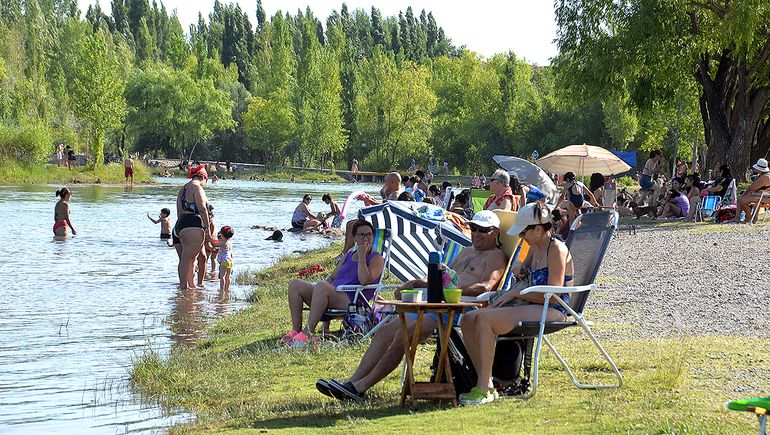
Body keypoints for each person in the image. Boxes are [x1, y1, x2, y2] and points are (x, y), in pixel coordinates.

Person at [316, 211, 507, 401]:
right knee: (384, 332)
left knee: (403, 335)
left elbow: (486, 286)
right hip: (434, 304)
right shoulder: (466, 251)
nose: (477, 233)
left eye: (483, 230)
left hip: (458, 309)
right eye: (474, 228)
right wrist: (417, 282)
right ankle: (351, 382)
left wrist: (449, 288)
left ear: (496, 232)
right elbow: (442, 275)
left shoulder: (496, 256)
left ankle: (360, 387)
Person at [458, 202, 573, 405]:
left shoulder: (556, 249)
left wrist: (516, 293)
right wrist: (518, 267)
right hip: (533, 305)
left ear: (537, 229)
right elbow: (523, 268)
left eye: (523, 233)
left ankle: (484, 388)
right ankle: (486, 382)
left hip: (552, 309)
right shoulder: (536, 247)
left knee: (484, 320)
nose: (521, 237)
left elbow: (553, 294)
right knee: (468, 318)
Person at [284, 220, 385, 346]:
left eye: (369, 235)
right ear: (354, 238)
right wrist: (317, 292)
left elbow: (364, 280)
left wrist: (362, 257)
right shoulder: (348, 255)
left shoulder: (377, 258)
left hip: (353, 300)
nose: (366, 238)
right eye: (361, 235)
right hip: (333, 294)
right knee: (295, 284)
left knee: (322, 287)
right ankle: (296, 330)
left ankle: (308, 333)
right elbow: (332, 277)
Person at [172, 165, 212, 289]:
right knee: (188, 259)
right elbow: (202, 208)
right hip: (193, 223)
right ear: (204, 177)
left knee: (186, 260)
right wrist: (208, 228)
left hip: (179, 225)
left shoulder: (183, 189)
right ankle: (183, 289)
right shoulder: (197, 187)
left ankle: (190, 288)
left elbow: (179, 211)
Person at [730, 158, 770, 223]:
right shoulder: (763, 175)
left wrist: (744, 194)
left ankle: (749, 217)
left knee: (742, 200)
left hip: (765, 198)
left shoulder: (764, 177)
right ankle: (738, 218)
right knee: (741, 199)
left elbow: (752, 188)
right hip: (762, 196)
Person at [217, 226, 234, 291]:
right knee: (228, 277)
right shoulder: (230, 243)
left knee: (222, 277)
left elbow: (214, 244)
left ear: (222, 234)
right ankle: (227, 289)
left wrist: (210, 238)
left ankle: (221, 289)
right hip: (230, 261)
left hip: (224, 261)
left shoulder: (223, 242)